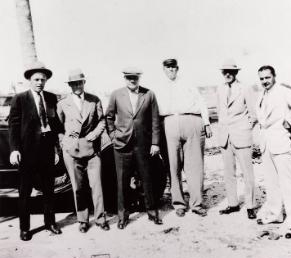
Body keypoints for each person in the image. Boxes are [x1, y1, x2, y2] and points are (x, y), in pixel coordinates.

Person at [8, 61, 63, 241]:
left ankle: (50, 223)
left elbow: (54, 126)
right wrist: (15, 150)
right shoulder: (20, 99)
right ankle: (25, 228)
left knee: (49, 189)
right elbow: (14, 127)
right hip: (27, 151)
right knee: (25, 192)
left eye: (43, 79)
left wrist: (56, 149)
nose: (40, 82)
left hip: (47, 150)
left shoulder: (51, 98)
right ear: (30, 80)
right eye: (36, 79)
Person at [105, 67, 162, 229]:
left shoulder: (149, 94)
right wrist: (113, 136)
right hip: (122, 145)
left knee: (147, 179)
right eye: (129, 77)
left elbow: (155, 120)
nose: (132, 80)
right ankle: (123, 216)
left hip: (143, 145)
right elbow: (109, 117)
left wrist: (155, 142)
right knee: (122, 182)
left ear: (139, 78)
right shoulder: (117, 94)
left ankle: (152, 213)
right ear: (124, 78)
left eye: (135, 77)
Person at [255, 65, 291, 238]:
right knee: (271, 183)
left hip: (281, 142)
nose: (264, 81)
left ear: (274, 76)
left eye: (267, 78)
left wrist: (288, 121)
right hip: (266, 144)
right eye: (262, 78)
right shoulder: (261, 95)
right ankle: (275, 214)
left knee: (287, 184)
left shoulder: (283, 91)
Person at [156, 58, 212, 217]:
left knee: (195, 166)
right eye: (167, 68)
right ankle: (179, 203)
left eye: (173, 67)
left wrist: (206, 122)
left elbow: (201, 101)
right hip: (169, 123)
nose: (171, 70)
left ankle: (197, 203)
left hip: (191, 121)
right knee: (173, 166)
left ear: (177, 68)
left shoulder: (188, 82)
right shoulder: (158, 87)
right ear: (164, 70)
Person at [57, 69, 109, 233]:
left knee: (97, 185)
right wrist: (64, 142)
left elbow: (102, 121)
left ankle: (101, 219)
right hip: (72, 151)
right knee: (78, 188)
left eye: (79, 82)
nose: (77, 86)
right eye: (73, 83)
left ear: (84, 83)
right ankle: (83, 220)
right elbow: (58, 127)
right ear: (70, 85)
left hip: (91, 148)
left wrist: (95, 133)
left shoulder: (94, 100)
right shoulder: (62, 103)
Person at [216, 59, 256, 219]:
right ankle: (233, 204)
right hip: (225, 137)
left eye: (230, 72)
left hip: (242, 136)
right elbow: (220, 112)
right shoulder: (219, 89)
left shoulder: (245, 88)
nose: (227, 74)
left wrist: (245, 128)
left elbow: (253, 114)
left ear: (236, 73)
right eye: (224, 71)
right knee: (228, 173)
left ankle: (251, 206)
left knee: (247, 173)